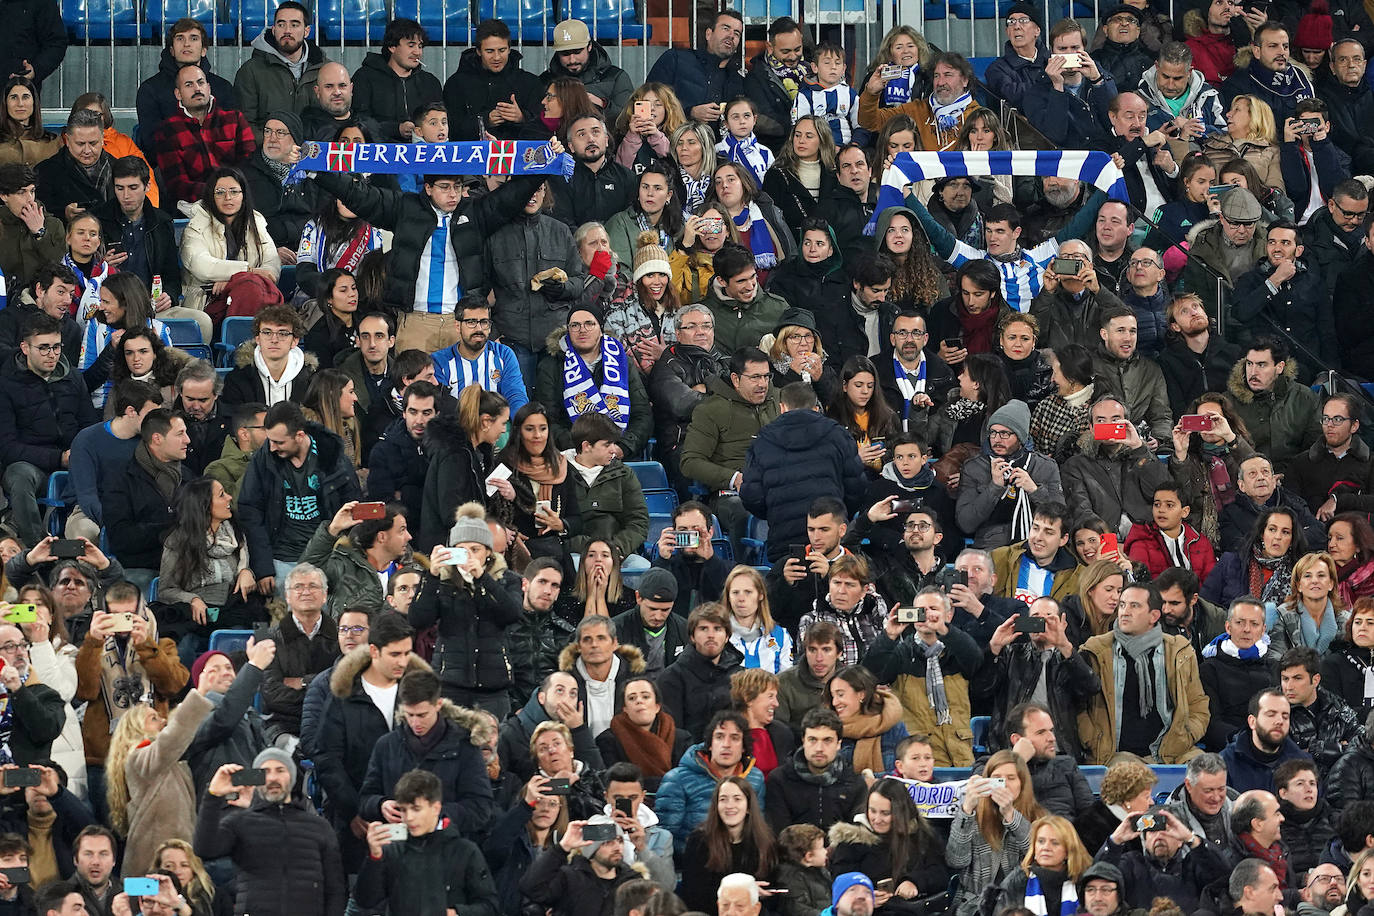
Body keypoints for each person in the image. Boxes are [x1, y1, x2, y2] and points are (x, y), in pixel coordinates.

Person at [310, 148, 547, 356]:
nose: (453, 194)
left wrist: (546, 162)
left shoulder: (476, 213)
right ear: (428, 188)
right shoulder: (404, 208)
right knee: (413, 394)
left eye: (457, 187)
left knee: (464, 399)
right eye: (444, 187)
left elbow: (512, 195)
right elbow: (359, 195)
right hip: (415, 321)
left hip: (460, 322)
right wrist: (315, 171)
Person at [194, 752, 344, 916]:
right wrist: (213, 796)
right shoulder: (240, 822)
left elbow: (334, 888)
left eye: (280, 770)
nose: (273, 778)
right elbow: (204, 849)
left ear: (292, 777)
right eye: (265, 772)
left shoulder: (319, 826)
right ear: (256, 779)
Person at [1079, 583, 1211, 763]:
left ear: (1154, 616)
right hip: (1115, 754)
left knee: (1209, 770)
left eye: (1135, 606)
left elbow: (1198, 703)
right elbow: (1079, 707)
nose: (1125, 611)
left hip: (1172, 751)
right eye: (1123, 604)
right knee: (1132, 777)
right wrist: (1094, 740)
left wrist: (1185, 736)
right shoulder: (1096, 650)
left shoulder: (1179, 651)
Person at [237, 400, 361, 590]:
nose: (272, 448)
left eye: (279, 442)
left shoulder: (333, 459)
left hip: (325, 558)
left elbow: (353, 509)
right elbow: (250, 510)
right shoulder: (264, 460)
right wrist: (263, 567)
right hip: (281, 561)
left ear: (300, 436)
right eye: (270, 440)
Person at [410, 502, 522, 714]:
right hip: (450, 685)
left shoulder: (506, 580)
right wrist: (431, 576)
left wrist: (482, 579)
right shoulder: (442, 581)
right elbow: (418, 619)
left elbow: (512, 613)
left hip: (493, 687)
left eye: (475, 549)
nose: (469, 555)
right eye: (461, 550)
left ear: (488, 552)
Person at [0, 313, 98, 546]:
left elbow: (89, 425)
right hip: (34, 467)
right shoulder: (6, 383)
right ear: (25, 347)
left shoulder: (73, 377)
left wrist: (79, 454)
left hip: (76, 463)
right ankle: (39, 548)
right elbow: (7, 447)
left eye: (56, 347)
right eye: (43, 348)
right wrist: (58, 458)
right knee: (18, 474)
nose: (52, 354)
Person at [741, 382, 866, 564]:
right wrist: (836, 514)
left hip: (784, 543)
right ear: (816, 408)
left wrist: (778, 513)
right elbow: (857, 488)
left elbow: (751, 496)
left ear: (782, 407)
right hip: (831, 542)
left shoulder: (762, 440)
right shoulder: (839, 435)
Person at [947, 748, 1044, 915]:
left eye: (1011, 778)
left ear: (1022, 782)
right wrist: (967, 809)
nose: (1004, 784)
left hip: (1019, 905)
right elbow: (956, 861)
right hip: (973, 906)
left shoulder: (1039, 817)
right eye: (997, 779)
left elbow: (1037, 856)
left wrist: (1011, 816)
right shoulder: (972, 816)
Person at [827, 777, 949, 905]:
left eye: (885, 813)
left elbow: (940, 873)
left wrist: (916, 883)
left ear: (901, 812)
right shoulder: (851, 840)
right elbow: (841, 882)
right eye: (872, 811)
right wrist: (864, 897)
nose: (877, 819)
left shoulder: (921, 835)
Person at [103, 408, 190, 582]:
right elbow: (121, 537)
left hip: (187, 566)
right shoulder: (121, 479)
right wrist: (169, 529)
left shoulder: (190, 478)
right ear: (157, 438)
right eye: (180, 434)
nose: (187, 440)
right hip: (142, 566)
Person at [1062, 395, 1173, 531]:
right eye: (1101, 420)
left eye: (1115, 420)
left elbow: (1165, 494)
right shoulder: (1076, 465)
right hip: (1103, 539)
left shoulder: (1141, 456)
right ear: (1091, 428)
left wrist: (1139, 448)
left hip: (1147, 537)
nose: (1109, 425)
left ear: (1127, 424)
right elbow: (1081, 510)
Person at [1095, 803, 1233, 912]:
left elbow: (1223, 878)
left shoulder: (1194, 864)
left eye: (1166, 830)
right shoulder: (1131, 864)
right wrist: (1115, 841)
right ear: (1144, 839)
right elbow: (1097, 879)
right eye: (1152, 831)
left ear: (1180, 839)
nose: (1159, 836)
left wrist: (1191, 839)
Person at [152, 66, 256, 207]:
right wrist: (217, 193)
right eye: (189, 85)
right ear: (178, 94)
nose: (197, 89)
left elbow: (250, 167)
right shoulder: (167, 130)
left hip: (238, 201)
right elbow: (177, 184)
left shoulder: (235, 119)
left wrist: (229, 193)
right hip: (194, 207)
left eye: (200, 83)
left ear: (208, 87)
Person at [232, 1, 326, 138]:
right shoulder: (250, 71)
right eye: (281, 24)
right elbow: (245, 123)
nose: (287, 30)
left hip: (314, 153)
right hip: (267, 154)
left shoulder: (325, 69)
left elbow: (334, 118)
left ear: (307, 31)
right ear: (274, 29)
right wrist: (275, 147)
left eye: (294, 25)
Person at [1199, 597, 1279, 751]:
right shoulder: (1209, 669)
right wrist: (1248, 742)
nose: (1246, 629)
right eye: (1240, 622)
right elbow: (1211, 723)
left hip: (1270, 747)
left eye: (1254, 624)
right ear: (1228, 627)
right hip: (1226, 750)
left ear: (1263, 630)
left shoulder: (1275, 667)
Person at [1279, 646, 1361, 777]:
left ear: (1316, 680)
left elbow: (1364, 746)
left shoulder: (1337, 708)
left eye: (1297, 678)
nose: (1289, 687)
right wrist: (1339, 749)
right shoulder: (1273, 709)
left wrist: (1320, 749)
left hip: (1337, 788)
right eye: (1285, 679)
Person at [1220, 688, 1311, 793]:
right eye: (1271, 714)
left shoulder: (1303, 762)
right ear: (1252, 722)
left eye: (1285, 717)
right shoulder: (1225, 763)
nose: (1279, 721)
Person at [1276, 758, 1339, 876]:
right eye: (1300, 784)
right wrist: (1302, 879)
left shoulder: (1333, 819)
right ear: (1283, 793)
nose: (1309, 789)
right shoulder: (1274, 825)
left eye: (1312, 783)